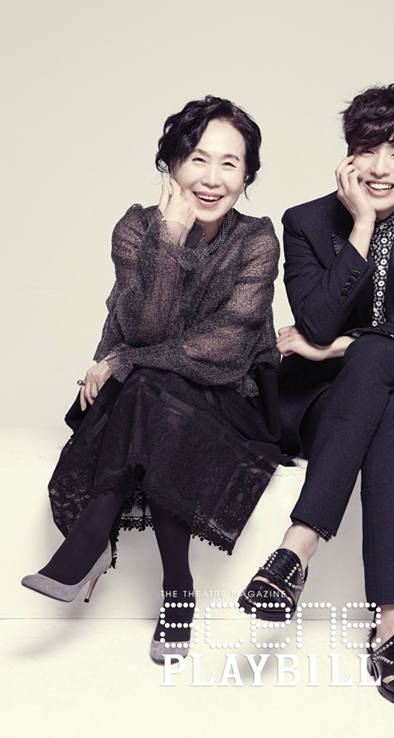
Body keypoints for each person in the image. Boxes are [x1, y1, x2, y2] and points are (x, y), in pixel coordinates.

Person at [238, 84, 394, 716]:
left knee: (380, 361)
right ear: (348, 156)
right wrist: (360, 228)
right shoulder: (305, 221)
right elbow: (315, 319)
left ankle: (297, 546)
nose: (381, 167)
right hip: (327, 403)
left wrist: (342, 346)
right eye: (368, 149)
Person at [22, 95, 281, 663]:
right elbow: (146, 329)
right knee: (153, 390)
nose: (211, 178)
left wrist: (122, 361)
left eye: (230, 163)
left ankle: (91, 540)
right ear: (171, 164)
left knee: (148, 384)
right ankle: (178, 589)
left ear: (247, 176)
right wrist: (169, 239)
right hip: (146, 400)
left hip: (230, 399)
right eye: (197, 158)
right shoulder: (137, 228)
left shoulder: (257, 239)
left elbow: (227, 346)